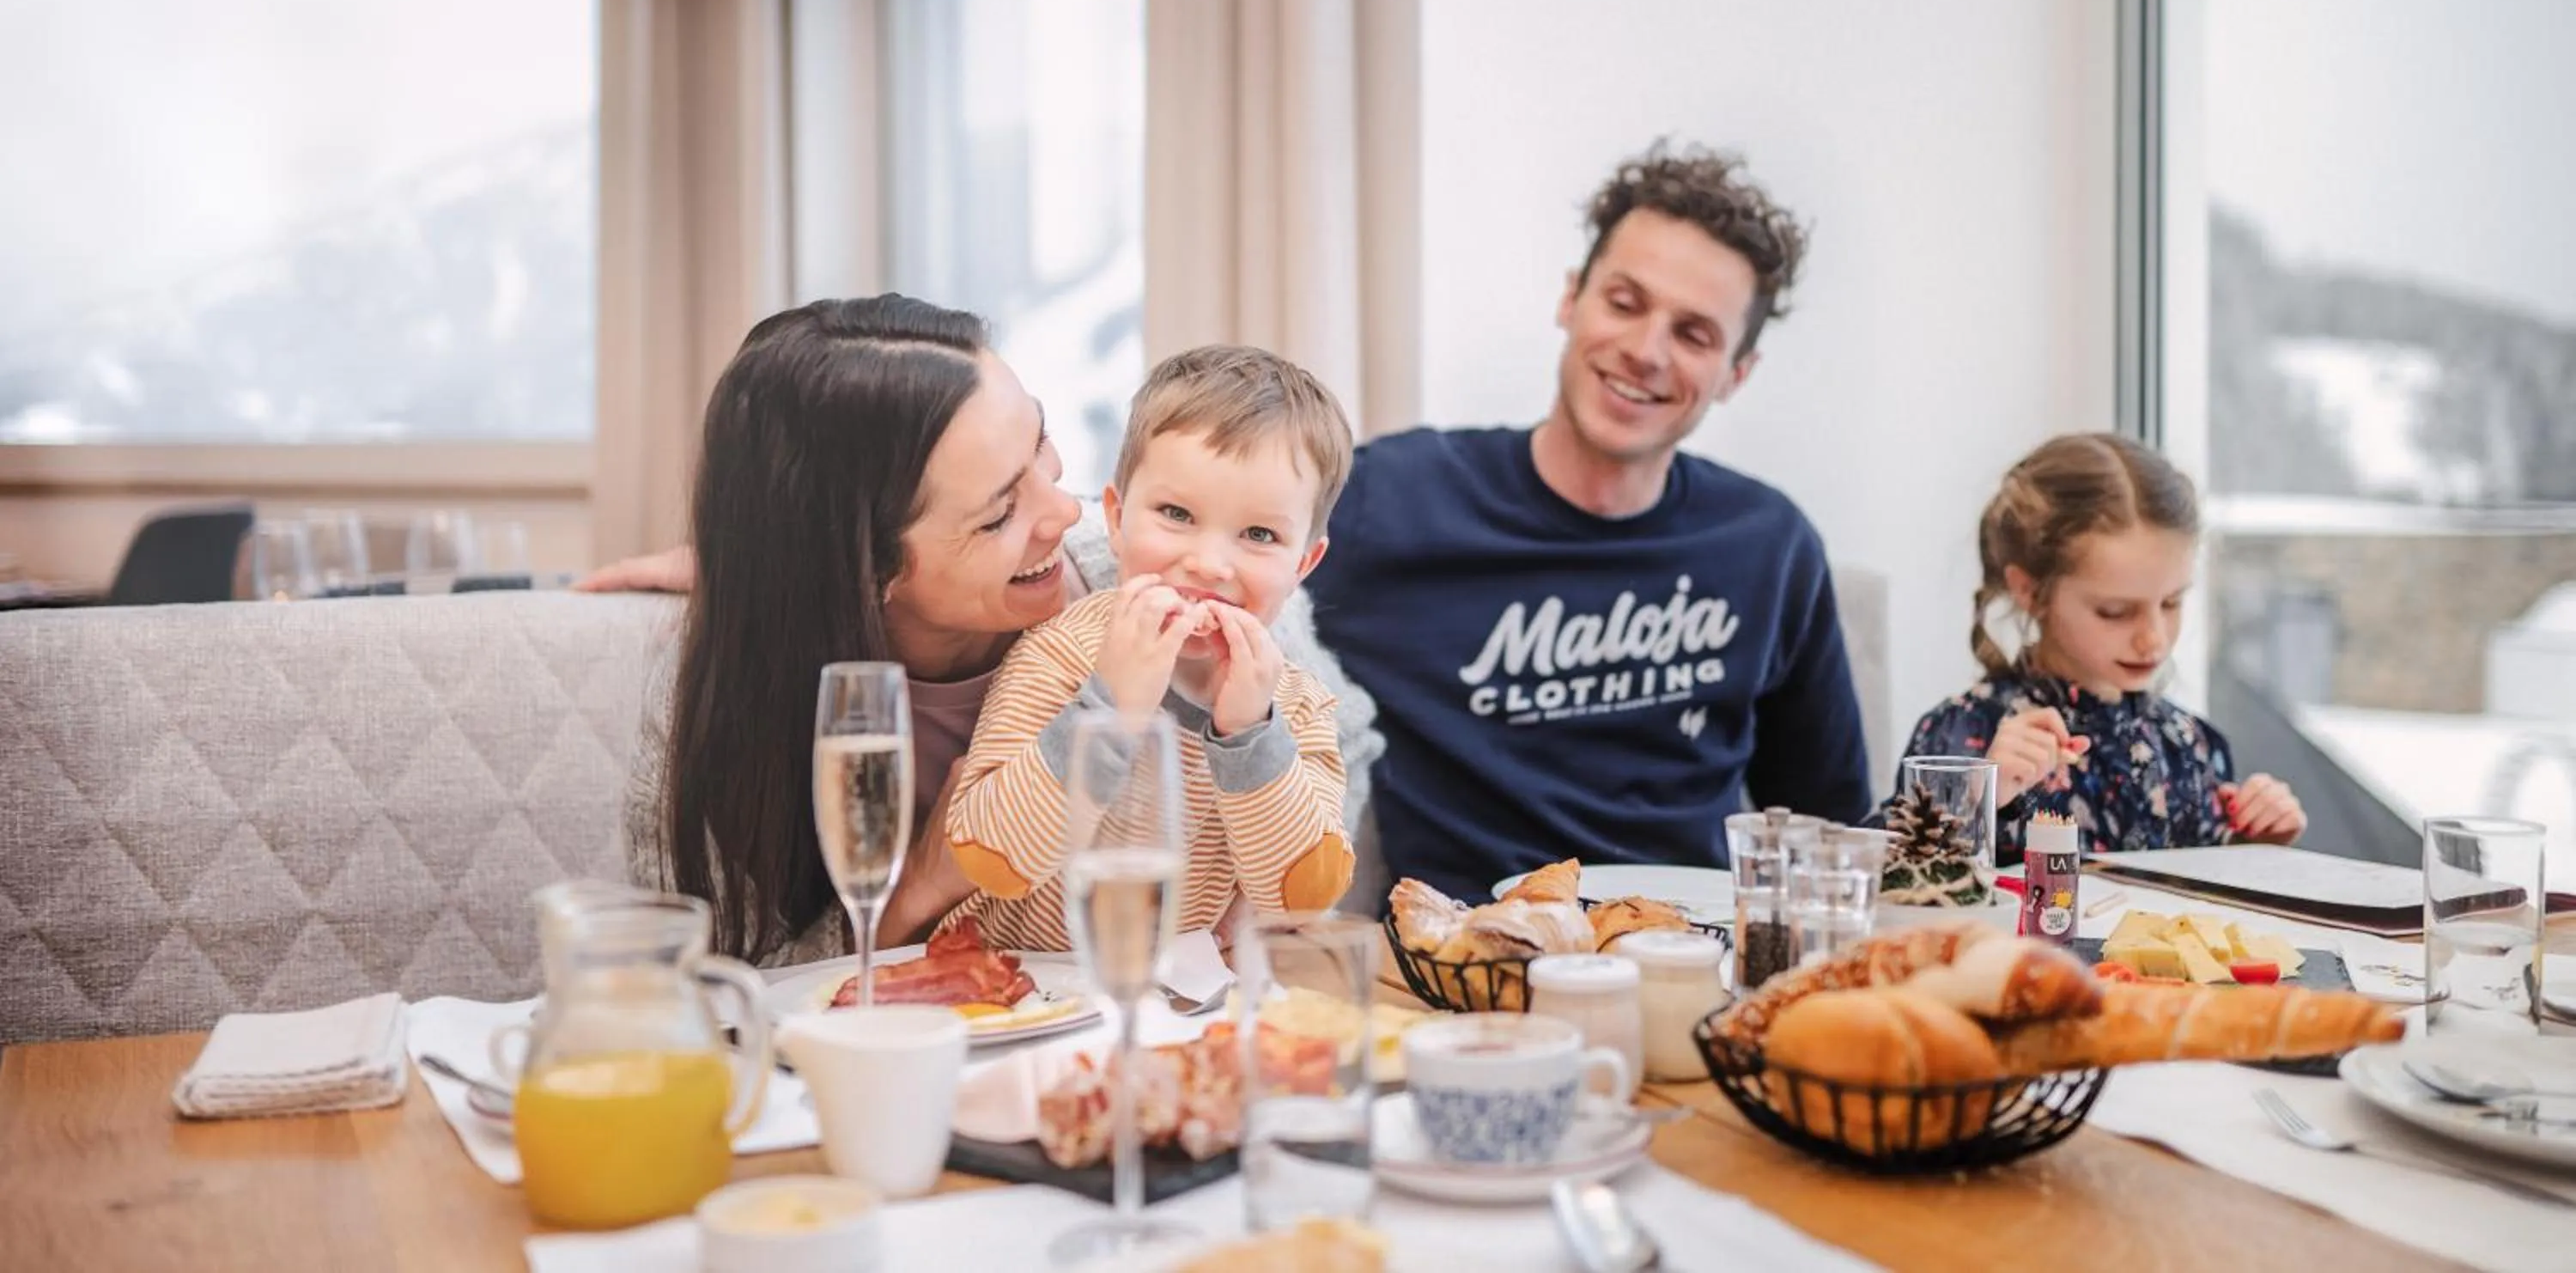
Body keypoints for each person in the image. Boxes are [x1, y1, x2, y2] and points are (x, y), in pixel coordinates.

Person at [615, 296, 1382, 966]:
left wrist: (1263, 882)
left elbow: (1340, 733)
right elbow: (712, 988)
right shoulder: (732, 709)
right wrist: (919, 889)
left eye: (1040, 448)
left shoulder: (1130, 565)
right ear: (865, 570)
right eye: (999, 513)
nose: (1067, 512)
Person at [1306, 142, 1872, 905]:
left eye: (1694, 333)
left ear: (1737, 373)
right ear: (1571, 299)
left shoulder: (1770, 547)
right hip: (1462, 980)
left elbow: (1827, 833)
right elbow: (1189, 545)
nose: (1645, 351)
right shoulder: (1387, 503)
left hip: (1690, 972)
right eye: (1625, 302)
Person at [943, 345, 1356, 949]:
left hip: (1175, 1009)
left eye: (1259, 534)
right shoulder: (1062, 652)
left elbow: (1301, 897)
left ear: (1304, 564)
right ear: (1115, 519)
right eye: (1177, 513)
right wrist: (1107, 709)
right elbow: (994, 860)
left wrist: (1249, 737)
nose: (1209, 563)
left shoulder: (1293, 705)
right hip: (1012, 994)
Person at [1898, 431, 2307, 863]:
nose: (2153, 637)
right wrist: (1976, 798)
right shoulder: (1965, 737)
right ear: (2031, 591)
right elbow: (1889, 881)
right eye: (2115, 611)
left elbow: (2206, 902)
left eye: (2171, 602)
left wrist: (2256, 847)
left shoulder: (2190, 748)